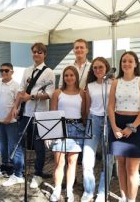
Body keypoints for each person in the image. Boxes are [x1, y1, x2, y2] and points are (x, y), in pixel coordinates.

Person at [8, 43, 55, 187]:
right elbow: (21, 91)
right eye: (34, 52)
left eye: (39, 52)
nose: (36, 54)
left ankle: (38, 174)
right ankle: (18, 173)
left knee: (39, 146)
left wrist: (31, 97)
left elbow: (49, 94)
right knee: (20, 143)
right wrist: (15, 106)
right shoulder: (27, 70)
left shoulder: (49, 72)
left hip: (40, 114)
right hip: (25, 113)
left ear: (44, 54)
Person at [107, 51, 140, 202]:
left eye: (130, 61)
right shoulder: (115, 82)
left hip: (136, 125)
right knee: (121, 164)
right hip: (117, 123)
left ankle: (131, 199)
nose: (126, 64)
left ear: (136, 64)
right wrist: (114, 127)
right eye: (124, 61)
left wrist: (131, 127)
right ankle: (123, 196)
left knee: (132, 168)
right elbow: (110, 106)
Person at [50, 66, 86, 202]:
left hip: (77, 128)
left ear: (76, 77)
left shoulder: (83, 93)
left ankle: (69, 190)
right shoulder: (57, 93)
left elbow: (84, 113)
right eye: (66, 75)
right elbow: (53, 113)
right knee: (59, 162)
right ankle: (57, 188)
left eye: (72, 75)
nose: (69, 77)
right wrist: (51, 134)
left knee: (72, 162)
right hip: (60, 127)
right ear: (63, 78)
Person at [81, 57, 114, 202]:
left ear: (106, 68)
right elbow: (88, 106)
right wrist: (85, 122)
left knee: (108, 159)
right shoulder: (90, 86)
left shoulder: (113, 83)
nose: (98, 70)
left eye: (100, 67)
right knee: (87, 158)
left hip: (109, 120)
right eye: (95, 68)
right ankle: (89, 191)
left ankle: (102, 192)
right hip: (93, 119)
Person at [0, 63, 21, 180]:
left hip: (11, 121)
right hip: (0, 120)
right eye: (1, 70)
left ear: (12, 72)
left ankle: (14, 167)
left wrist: (9, 117)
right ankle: (4, 165)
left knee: (12, 145)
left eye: (6, 70)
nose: (3, 72)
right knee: (2, 144)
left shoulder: (16, 85)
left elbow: (16, 104)